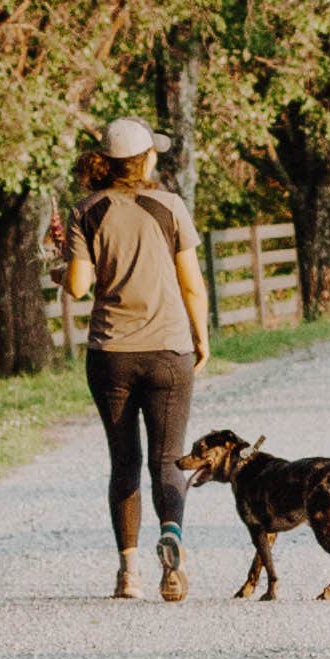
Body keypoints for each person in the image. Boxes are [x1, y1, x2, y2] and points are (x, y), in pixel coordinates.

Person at [66, 116, 215, 600]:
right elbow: (191, 282)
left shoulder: (87, 210)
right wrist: (201, 335)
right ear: (146, 159)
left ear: (107, 163)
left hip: (111, 353)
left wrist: (58, 266)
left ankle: (127, 573)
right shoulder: (170, 206)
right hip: (169, 349)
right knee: (167, 460)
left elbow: (77, 286)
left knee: (124, 461)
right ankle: (171, 538)